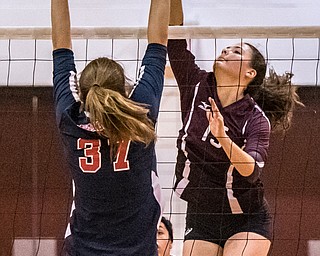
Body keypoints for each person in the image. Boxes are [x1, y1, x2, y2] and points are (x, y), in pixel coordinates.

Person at [167, 0, 303, 255]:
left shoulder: (255, 119)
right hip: (202, 213)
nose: (226, 51)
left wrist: (223, 138)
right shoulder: (195, 85)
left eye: (236, 52)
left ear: (250, 73)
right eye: (227, 48)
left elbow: (251, 171)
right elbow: (174, 39)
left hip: (246, 216)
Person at [51, 0, 170, 255]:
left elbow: (61, 50)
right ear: (124, 88)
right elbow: (158, 42)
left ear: (81, 92)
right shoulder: (141, 113)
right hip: (137, 249)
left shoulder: (70, 120)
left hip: (83, 249)